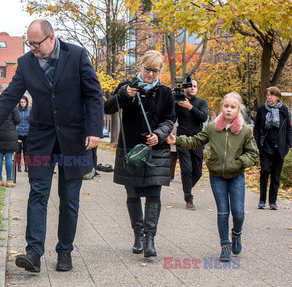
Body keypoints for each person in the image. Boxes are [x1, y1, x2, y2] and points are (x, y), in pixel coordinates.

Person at [0, 19, 103, 272]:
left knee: (69, 198)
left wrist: (94, 130)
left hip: (74, 139)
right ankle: (33, 252)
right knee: (38, 192)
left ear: (51, 38)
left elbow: (93, 94)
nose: (32, 48)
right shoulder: (25, 63)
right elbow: (10, 96)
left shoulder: (76, 55)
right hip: (41, 139)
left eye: (36, 44)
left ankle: (64, 251)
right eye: (29, 43)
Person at [166, 92, 258, 262]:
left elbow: (252, 154)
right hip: (217, 176)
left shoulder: (245, 131)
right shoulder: (212, 128)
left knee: (237, 212)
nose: (229, 110)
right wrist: (176, 140)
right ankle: (225, 245)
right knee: (223, 212)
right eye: (226, 106)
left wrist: (239, 163)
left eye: (233, 107)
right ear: (222, 107)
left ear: (238, 110)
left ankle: (236, 235)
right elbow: (195, 141)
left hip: (236, 176)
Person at [104, 50, 175, 258]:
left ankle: (150, 239)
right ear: (140, 66)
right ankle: (138, 236)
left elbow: (170, 119)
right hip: (131, 151)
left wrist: (159, 135)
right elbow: (108, 108)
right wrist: (124, 94)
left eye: (156, 71)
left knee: (154, 194)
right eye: (148, 70)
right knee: (133, 194)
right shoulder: (128, 86)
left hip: (155, 151)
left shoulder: (166, 92)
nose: (151, 74)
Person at [254, 87, 292, 210]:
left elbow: (288, 129)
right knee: (265, 171)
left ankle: (273, 201)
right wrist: (257, 143)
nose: (269, 97)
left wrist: (289, 144)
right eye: (267, 95)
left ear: (278, 97)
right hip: (265, 145)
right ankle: (262, 200)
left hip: (280, 146)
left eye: (272, 95)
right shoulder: (261, 109)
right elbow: (256, 129)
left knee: (276, 175)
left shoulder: (284, 110)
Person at [175, 78, 209, 210]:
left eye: (195, 86)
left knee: (198, 171)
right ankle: (189, 198)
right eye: (190, 86)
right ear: (184, 88)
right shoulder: (178, 102)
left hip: (198, 140)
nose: (193, 88)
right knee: (187, 169)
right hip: (182, 139)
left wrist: (190, 107)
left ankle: (187, 188)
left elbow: (203, 117)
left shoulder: (201, 102)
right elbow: (172, 117)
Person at [0, 85, 21, 187]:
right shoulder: (12, 104)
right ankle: (9, 180)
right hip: (9, 134)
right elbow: (18, 120)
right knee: (8, 156)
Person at [16, 95, 31, 173]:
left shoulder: (29, 110)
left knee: (26, 151)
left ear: (26, 102)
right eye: (21, 102)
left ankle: (27, 166)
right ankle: (18, 166)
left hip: (27, 133)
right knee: (18, 151)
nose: (22, 103)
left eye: (24, 102)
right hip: (18, 133)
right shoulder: (17, 111)